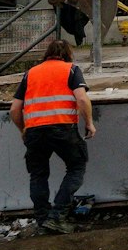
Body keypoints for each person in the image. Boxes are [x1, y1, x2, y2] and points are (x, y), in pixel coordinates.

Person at [9, 39, 95, 234]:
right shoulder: (71, 70)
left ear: (46, 54)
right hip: (62, 129)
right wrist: (89, 122)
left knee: (38, 174)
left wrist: (23, 129)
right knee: (76, 167)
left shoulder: (30, 73)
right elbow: (81, 98)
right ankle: (58, 216)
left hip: (35, 131)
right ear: (68, 54)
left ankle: (42, 219)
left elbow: (14, 109)